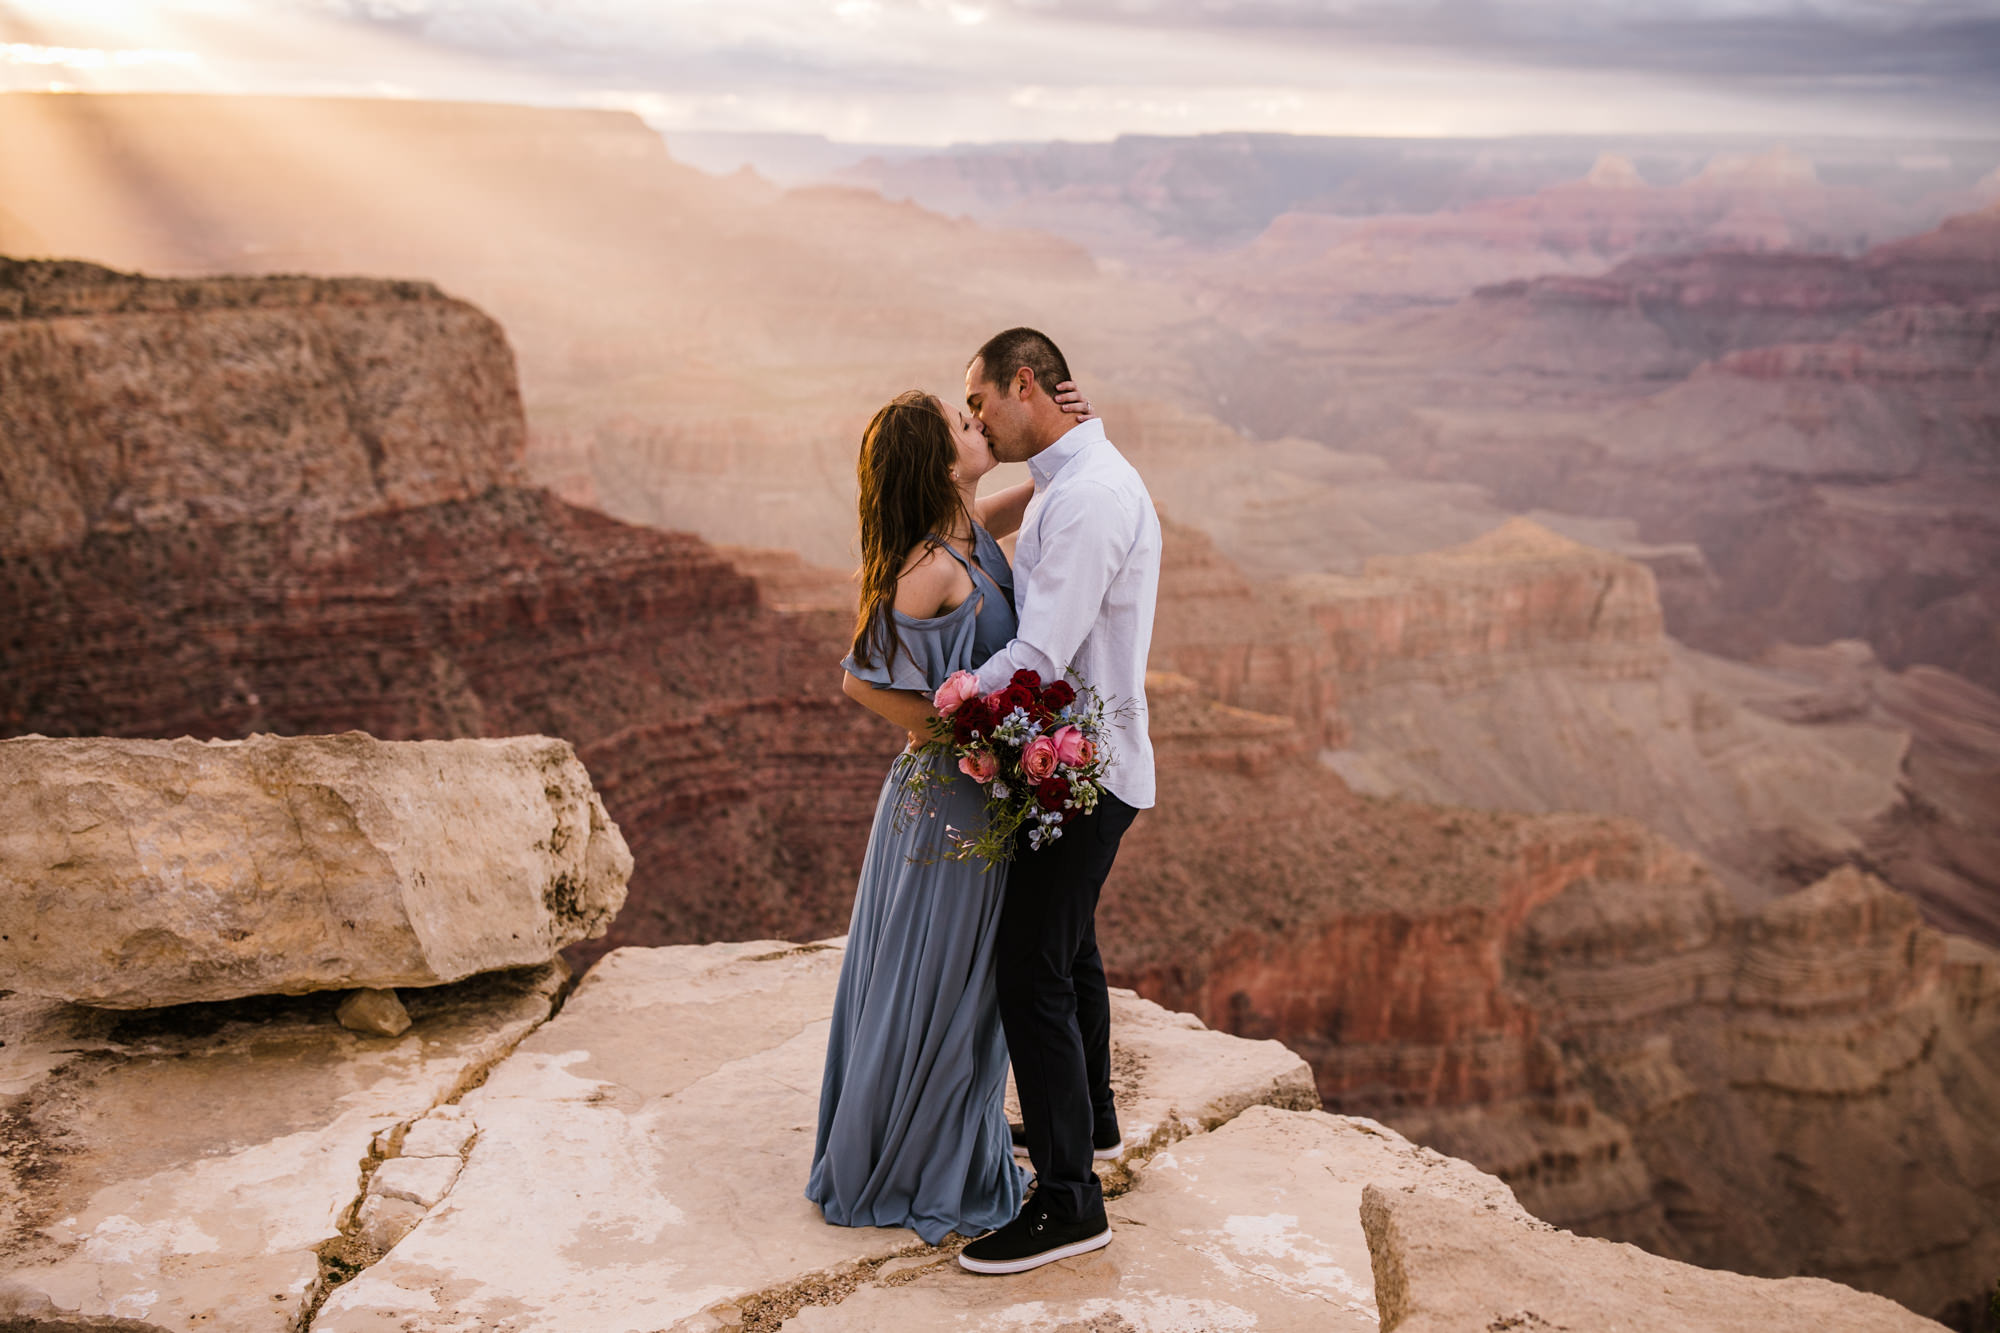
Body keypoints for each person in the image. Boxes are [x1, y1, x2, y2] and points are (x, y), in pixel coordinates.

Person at [806, 381, 1094, 1244]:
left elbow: (1044, 496)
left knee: (968, 985)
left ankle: (947, 1135)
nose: (978, 427)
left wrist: (1068, 430)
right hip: (941, 811)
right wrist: (957, 727)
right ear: (937, 462)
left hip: (979, 801)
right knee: (937, 983)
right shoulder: (927, 564)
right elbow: (859, 677)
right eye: (964, 425)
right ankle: (910, 1158)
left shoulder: (970, 526)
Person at [953, 328, 1161, 1276]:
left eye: (981, 402)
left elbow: (1040, 656)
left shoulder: (1088, 498)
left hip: (1082, 767)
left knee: (1027, 969)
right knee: (1068, 951)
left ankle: (1071, 1203)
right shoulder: (1069, 478)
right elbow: (997, 524)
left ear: (1023, 382)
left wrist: (942, 706)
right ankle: (1097, 1128)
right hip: (1083, 763)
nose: (976, 421)